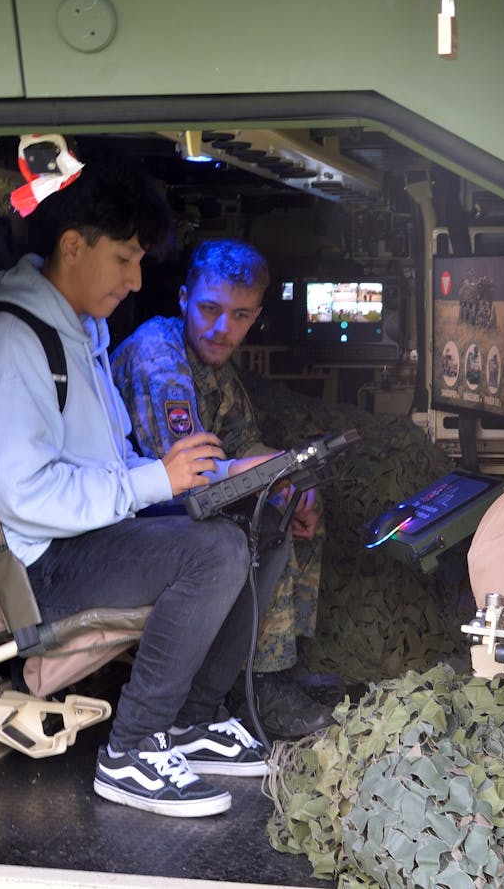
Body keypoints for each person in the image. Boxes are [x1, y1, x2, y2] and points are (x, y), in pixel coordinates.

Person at [0, 158, 274, 818]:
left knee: (252, 522)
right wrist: (155, 480)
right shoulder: (10, 345)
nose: (135, 281)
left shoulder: (79, 334)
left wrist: (207, 484)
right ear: (73, 246)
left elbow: (106, 461)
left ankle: (189, 722)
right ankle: (131, 749)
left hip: (87, 536)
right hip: (37, 569)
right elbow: (24, 496)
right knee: (211, 554)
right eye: (125, 258)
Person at [111, 239, 337, 738]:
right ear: (184, 298)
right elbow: (193, 473)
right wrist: (268, 480)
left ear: (255, 316)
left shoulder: (215, 368)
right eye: (209, 309)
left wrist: (285, 481)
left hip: (169, 512)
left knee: (293, 499)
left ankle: (276, 665)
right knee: (264, 524)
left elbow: (244, 443)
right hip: (127, 520)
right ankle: (256, 684)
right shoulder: (159, 355)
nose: (221, 328)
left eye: (238, 316)